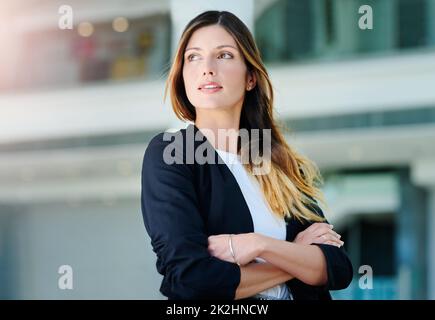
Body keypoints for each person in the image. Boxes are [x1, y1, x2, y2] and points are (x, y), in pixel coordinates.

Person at [141, 10, 353, 300]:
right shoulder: (172, 153)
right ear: (182, 75)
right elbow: (191, 280)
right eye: (194, 57)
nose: (207, 68)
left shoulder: (273, 157)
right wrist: (297, 257)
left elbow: (337, 267)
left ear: (251, 77)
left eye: (224, 55)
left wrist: (258, 245)